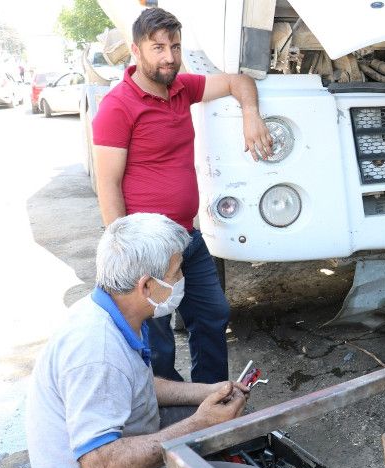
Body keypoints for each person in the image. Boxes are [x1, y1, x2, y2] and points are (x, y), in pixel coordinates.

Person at [26, 213, 281, 468]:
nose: (182, 279)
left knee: (229, 420)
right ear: (146, 285)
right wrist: (199, 423)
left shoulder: (114, 312)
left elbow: (138, 385)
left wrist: (208, 391)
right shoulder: (98, 352)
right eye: (175, 273)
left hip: (114, 453)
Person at [92, 8, 273, 383]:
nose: (169, 57)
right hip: (147, 248)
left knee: (212, 314)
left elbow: (238, 81)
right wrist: (126, 252)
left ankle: (212, 404)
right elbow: (107, 184)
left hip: (187, 237)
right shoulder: (118, 105)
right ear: (135, 50)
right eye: (157, 47)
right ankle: (169, 420)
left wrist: (251, 114)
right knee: (156, 340)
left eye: (174, 46)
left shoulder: (181, 87)